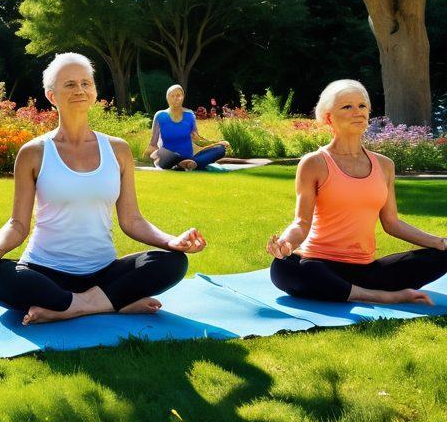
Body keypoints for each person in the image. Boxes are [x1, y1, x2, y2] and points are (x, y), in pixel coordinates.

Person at [0, 53, 205, 324]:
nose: (80, 90)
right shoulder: (33, 153)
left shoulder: (117, 149)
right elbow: (18, 224)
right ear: (51, 96)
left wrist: (170, 241)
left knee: (174, 262)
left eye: (86, 83)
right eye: (69, 84)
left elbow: (132, 219)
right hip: (45, 271)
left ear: (94, 92)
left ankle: (70, 307)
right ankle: (112, 303)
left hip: (103, 272)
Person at [267, 79, 447, 305]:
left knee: (442, 255)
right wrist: (286, 243)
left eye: (362, 106)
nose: (358, 112)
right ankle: (378, 296)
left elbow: (391, 223)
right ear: (329, 117)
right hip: (319, 264)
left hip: (367, 271)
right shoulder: (314, 163)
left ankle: (352, 291)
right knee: (283, 267)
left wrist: (440, 242)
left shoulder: (385, 165)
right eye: (347, 107)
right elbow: (302, 223)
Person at [148, 85, 229, 170]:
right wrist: (157, 154)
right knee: (163, 153)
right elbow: (152, 145)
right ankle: (182, 164)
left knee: (220, 150)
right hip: (170, 156)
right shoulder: (160, 115)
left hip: (189, 158)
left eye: (178, 95)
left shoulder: (190, 115)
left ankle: (190, 164)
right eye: (172, 96)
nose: (176, 98)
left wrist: (218, 143)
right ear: (167, 98)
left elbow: (198, 139)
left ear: (183, 97)